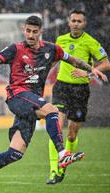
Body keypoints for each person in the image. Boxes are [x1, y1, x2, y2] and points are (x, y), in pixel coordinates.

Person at [0, 16, 108, 183]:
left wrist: (92, 70)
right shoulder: (15, 49)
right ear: (23, 30)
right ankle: (62, 154)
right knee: (52, 111)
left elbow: (74, 60)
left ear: (41, 32)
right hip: (17, 96)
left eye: (34, 32)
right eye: (28, 31)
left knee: (15, 153)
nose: (30, 35)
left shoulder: (52, 49)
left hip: (31, 102)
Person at [46, 9, 110, 184]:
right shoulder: (61, 40)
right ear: (68, 22)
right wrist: (43, 74)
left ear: (84, 24)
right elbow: (54, 60)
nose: (75, 24)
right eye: (73, 20)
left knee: (72, 134)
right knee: (56, 128)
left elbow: (106, 63)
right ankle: (53, 171)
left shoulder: (90, 42)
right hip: (61, 88)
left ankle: (63, 166)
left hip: (80, 91)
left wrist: (87, 74)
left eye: (79, 21)